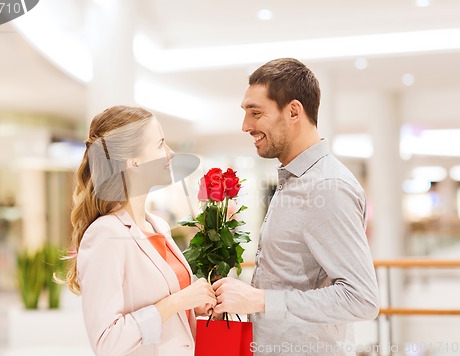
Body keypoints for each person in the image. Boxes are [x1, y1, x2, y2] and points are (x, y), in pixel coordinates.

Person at [212, 58, 380, 355]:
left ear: (293, 111)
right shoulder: (294, 178)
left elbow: (361, 299)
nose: (245, 126)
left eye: (256, 113)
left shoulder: (328, 187)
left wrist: (261, 300)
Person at [65, 106, 216, 356]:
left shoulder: (158, 226)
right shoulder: (105, 234)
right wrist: (177, 302)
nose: (170, 153)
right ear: (132, 162)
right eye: (160, 145)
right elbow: (107, 342)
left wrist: (192, 307)